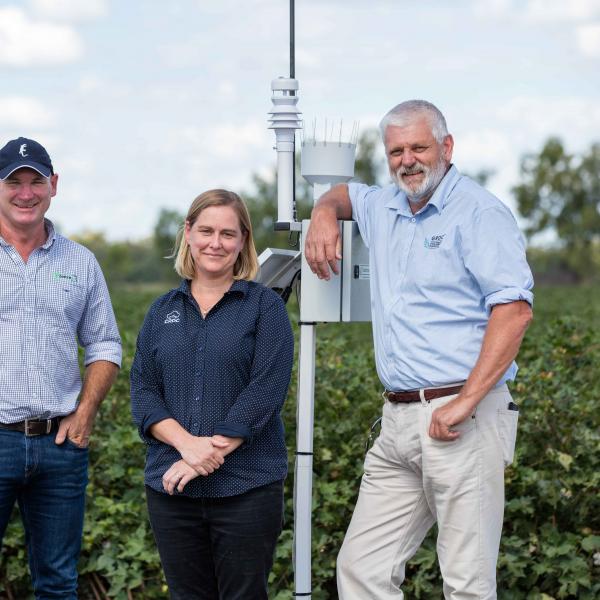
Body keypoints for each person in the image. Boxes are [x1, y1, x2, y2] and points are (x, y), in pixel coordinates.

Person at [305, 100, 534, 599]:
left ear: (446, 148)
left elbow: (514, 311)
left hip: (462, 418)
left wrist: (467, 401)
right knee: (362, 568)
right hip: (398, 424)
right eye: (396, 151)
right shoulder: (383, 205)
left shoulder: (479, 213)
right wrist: (323, 210)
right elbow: (345, 193)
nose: (407, 160)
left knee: (467, 584)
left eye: (419, 147)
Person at [130, 189, 294, 600]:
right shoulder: (161, 310)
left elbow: (266, 390)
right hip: (173, 488)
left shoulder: (264, 307)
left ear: (242, 241)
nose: (215, 243)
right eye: (205, 231)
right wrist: (188, 447)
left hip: (247, 488)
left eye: (227, 233)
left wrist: (209, 453)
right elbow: (144, 391)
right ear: (188, 233)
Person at [0, 137, 122, 598]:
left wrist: (86, 410)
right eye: (14, 182)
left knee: (57, 581)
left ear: (53, 186)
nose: (26, 193)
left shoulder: (80, 262)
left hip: (59, 446)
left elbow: (105, 343)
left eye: (36, 182)